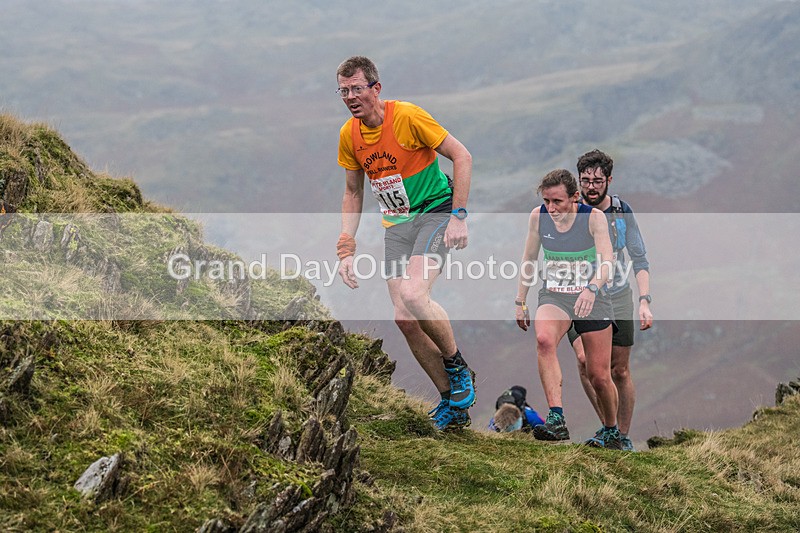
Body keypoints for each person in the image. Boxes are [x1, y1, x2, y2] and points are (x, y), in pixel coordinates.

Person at [335, 56, 476, 430]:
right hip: (397, 224)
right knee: (404, 318)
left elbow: (462, 155)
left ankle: (457, 366)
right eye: (344, 90)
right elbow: (353, 192)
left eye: (357, 89)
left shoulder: (408, 117)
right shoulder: (349, 135)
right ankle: (453, 404)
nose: (350, 97)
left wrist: (459, 216)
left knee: (415, 295)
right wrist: (346, 246)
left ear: (376, 89)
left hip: (435, 210)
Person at [515, 169, 622, 449]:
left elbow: (607, 260)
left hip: (593, 299)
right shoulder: (538, 217)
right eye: (547, 201)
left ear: (575, 197)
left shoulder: (593, 219)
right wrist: (520, 300)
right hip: (555, 296)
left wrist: (592, 287)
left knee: (598, 375)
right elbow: (528, 259)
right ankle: (556, 419)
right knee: (543, 339)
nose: (551, 208)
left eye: (557, 202)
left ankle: (612, 430)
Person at [567, 149, 653, 451]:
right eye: (586, 180)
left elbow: (639, 258)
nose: (591, 187)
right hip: (578, 297)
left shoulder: (621, 212)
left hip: (617, 296)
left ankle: (622, 437)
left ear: (609, 180)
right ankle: (609, 428)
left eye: (597, 181)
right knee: (584, 361)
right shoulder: (570, 208)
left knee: (619, 370)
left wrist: (644, 300)